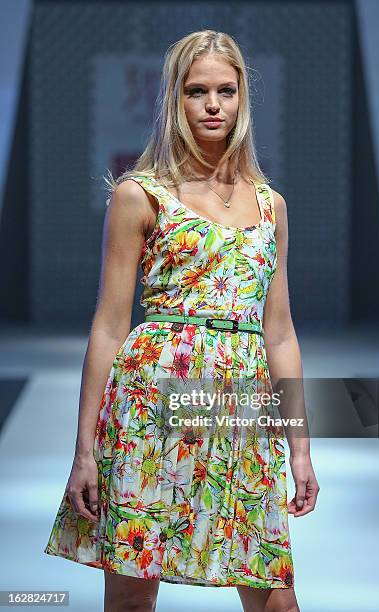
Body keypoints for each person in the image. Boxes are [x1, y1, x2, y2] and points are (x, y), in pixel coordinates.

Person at [44, 30, 319, 612]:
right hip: (150, 406)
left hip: (242, 409)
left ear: (244, 97)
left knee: (276, 597)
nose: (214, 105)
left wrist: (300, 448)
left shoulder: (272, 206)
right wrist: (84, 452)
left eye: (227, 90)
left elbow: (281, 332)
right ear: (175, 98)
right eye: (198, 91)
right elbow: (110, 328)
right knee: (131, 595)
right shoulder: (140, 195)